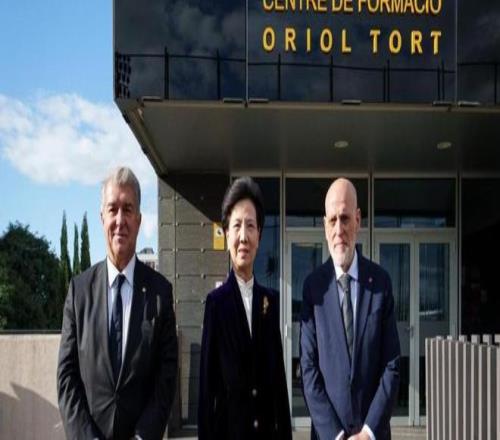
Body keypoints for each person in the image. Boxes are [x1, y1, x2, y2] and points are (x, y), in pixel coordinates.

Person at [57, 166, 178, 440]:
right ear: (102, 218)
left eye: (128, 209)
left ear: (139, 220)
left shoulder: (160, 293)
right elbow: (67, 377)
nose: (120, 220)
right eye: (113, 209)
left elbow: (166, 376)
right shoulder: (79, 292)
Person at [300, 178, 400, 440]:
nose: (339, 230)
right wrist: (336, 435)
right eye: (332, 220)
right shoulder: (313, 288)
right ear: (325, 226)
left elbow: (391, 365)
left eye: (344, 218)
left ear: (358, 220)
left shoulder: (381, 283)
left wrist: (368, 433)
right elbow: (308, 370)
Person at [198, 176, 292, 440]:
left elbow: (279, 385)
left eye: (250, 226)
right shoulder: (216, 304)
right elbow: (206, 392)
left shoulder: (270, 301)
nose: (243, 236)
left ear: (259, 235)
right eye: (236, 225)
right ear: (227, 233)